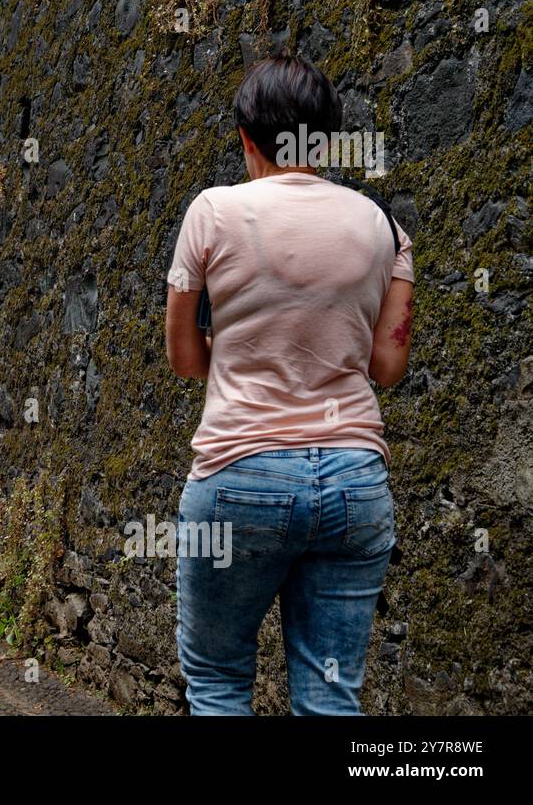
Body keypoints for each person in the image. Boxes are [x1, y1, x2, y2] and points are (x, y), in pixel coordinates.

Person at [165, 54, 414, 716]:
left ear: (248, 141)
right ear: (327, 139)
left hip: (238, 476)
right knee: (331, 698)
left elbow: (185, 357)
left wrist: (243, 343)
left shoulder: (213, 213)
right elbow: (386, 368)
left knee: (218, 685)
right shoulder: (386, 229)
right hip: (355, 484)